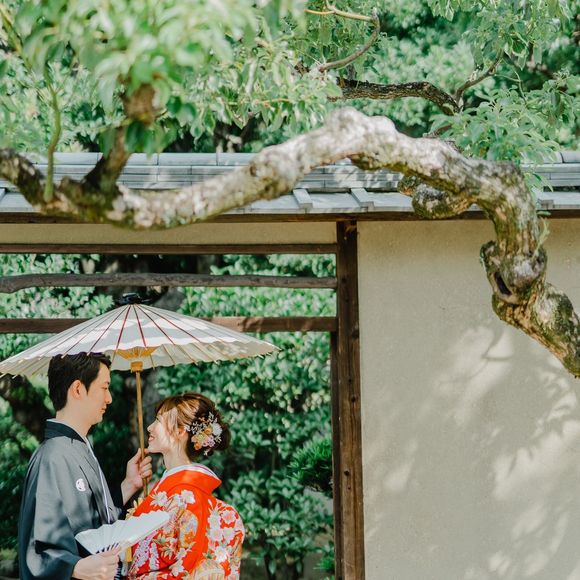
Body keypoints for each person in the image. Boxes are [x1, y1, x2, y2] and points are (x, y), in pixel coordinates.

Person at [18, 352, 153, 580]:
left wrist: (128, 485)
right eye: (104, 387)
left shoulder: (77, 448)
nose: (109, 398)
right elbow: (37, 548)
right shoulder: (52, 457)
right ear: (78, 389)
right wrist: (75, 567)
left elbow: (94, 524)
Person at [126, 393, 245, 579]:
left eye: (158, 421)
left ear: (180, 431)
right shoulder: (184, 494)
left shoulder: (184, 497)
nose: (149, 427)